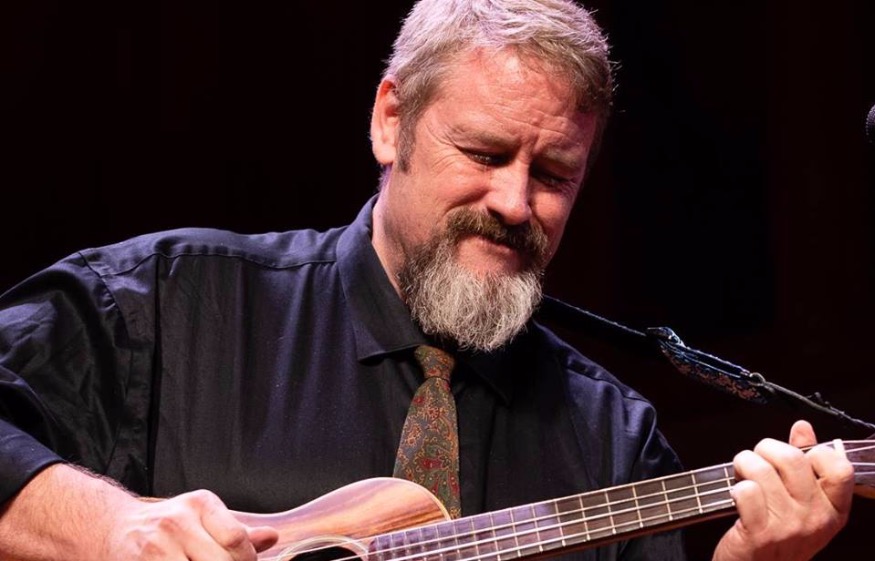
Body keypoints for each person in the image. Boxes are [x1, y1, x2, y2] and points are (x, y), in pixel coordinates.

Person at [0, 0, 855, 559]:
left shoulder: (612, 442)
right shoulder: (166, 303)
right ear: (391, 122)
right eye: (482, 153)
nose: (515, 202)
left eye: (553, 174)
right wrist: (110, 524)